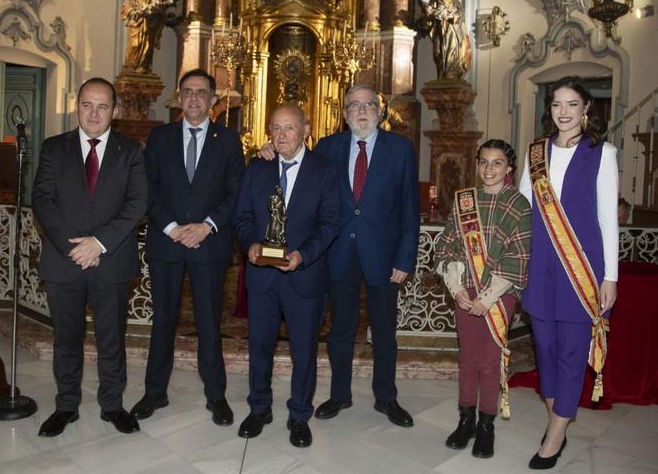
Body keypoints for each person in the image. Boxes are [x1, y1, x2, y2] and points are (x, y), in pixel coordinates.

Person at [260, 84, 420, 427]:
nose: (361, 110)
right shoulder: (328, 147)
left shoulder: (401, 149)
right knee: (340, 330)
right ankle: (339, 394)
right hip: (337, 254)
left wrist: (405, 258)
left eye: (368, 104)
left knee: (384, 331)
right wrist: (268, 151)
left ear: (380, 110)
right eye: (353, 105)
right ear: (344, 114)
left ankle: (386, 397)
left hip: (384, 256)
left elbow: (410, 209)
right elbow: (297, 166)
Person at [32, 77, 147, 437]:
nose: (94, 113)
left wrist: (99, 243)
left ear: (115, 110)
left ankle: (112, 405)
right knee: (67, 338)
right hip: (63, 261)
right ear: (77, 106)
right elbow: (42, 201)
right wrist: (76, 248)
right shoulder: (53, 148)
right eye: (87, 104)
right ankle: (66, 405)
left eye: (102, 106)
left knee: (111, 337)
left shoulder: (130, 151)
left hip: (110, 261)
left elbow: (138, 203)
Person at [518, 76, 619, 469]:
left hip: (582, 269)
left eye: (572, 104)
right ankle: (558, 420)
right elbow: (525, 210)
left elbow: (608, 219)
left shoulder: (602, 152)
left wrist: (610, 276)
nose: (563, 111)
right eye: (557, 104)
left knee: (573, 354)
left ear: (586, 109)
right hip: (541, 266)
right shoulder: (536, 153)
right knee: (545, 350)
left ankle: (555, 437)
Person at [135, 68, 245, 426]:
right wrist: (171, 228)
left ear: (214, 100)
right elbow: (148, 189)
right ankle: (155, 392)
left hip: (208, 245)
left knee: (209, 323)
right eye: (187, 92)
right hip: (166, 242)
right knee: (162, 321)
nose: (194, 98)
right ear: (178, 98)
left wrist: (207, 226)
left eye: (201, 92)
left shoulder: (228, 141)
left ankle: (216, 395)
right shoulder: (160, 137)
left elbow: (234, 193)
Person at [233, 105, 339, 448]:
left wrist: (302, 255)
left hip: (303, 278)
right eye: (275, 128)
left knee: (304, 351)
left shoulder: (324, 171)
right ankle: (259, 408)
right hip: (262, 277)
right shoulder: (258, 167)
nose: (281, 135)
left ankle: (299, 415)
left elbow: (330, 223)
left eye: (289, 128)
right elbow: (243, 216)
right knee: (259, 347)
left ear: (305, 130)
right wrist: (250, 245)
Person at [435, 140, 531, 458]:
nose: (489, 169)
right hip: (465, 291)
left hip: (499, 295)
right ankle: (466, 420)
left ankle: (486, 427)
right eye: (484, 162)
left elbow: (519, 255)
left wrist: (488, 297)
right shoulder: (465, 200)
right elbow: (447, 245)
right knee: (468, 358)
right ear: (477, 165)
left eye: (497, 163)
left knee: (489, 362)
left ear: (509, 169)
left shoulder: (518, 205)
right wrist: (457, 287)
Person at [424, 0, 472, 80]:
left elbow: (461, 14)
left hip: (451, 31)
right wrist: (429, 13)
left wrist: (451, 17)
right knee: (438, 52)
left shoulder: (454, 1)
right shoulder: (434, 0)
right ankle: (441, 73)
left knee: (452, 51)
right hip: (439, 31)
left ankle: (452, 73)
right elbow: (428, 16)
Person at [121, 0, 171, 74]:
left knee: (147, 48)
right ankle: (130, 66)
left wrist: (158, 8)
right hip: (136, 27)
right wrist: (135, 12)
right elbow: (127, 7)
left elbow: (161, 13)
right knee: (134, 45)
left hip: (148, 27)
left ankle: (144, 67)